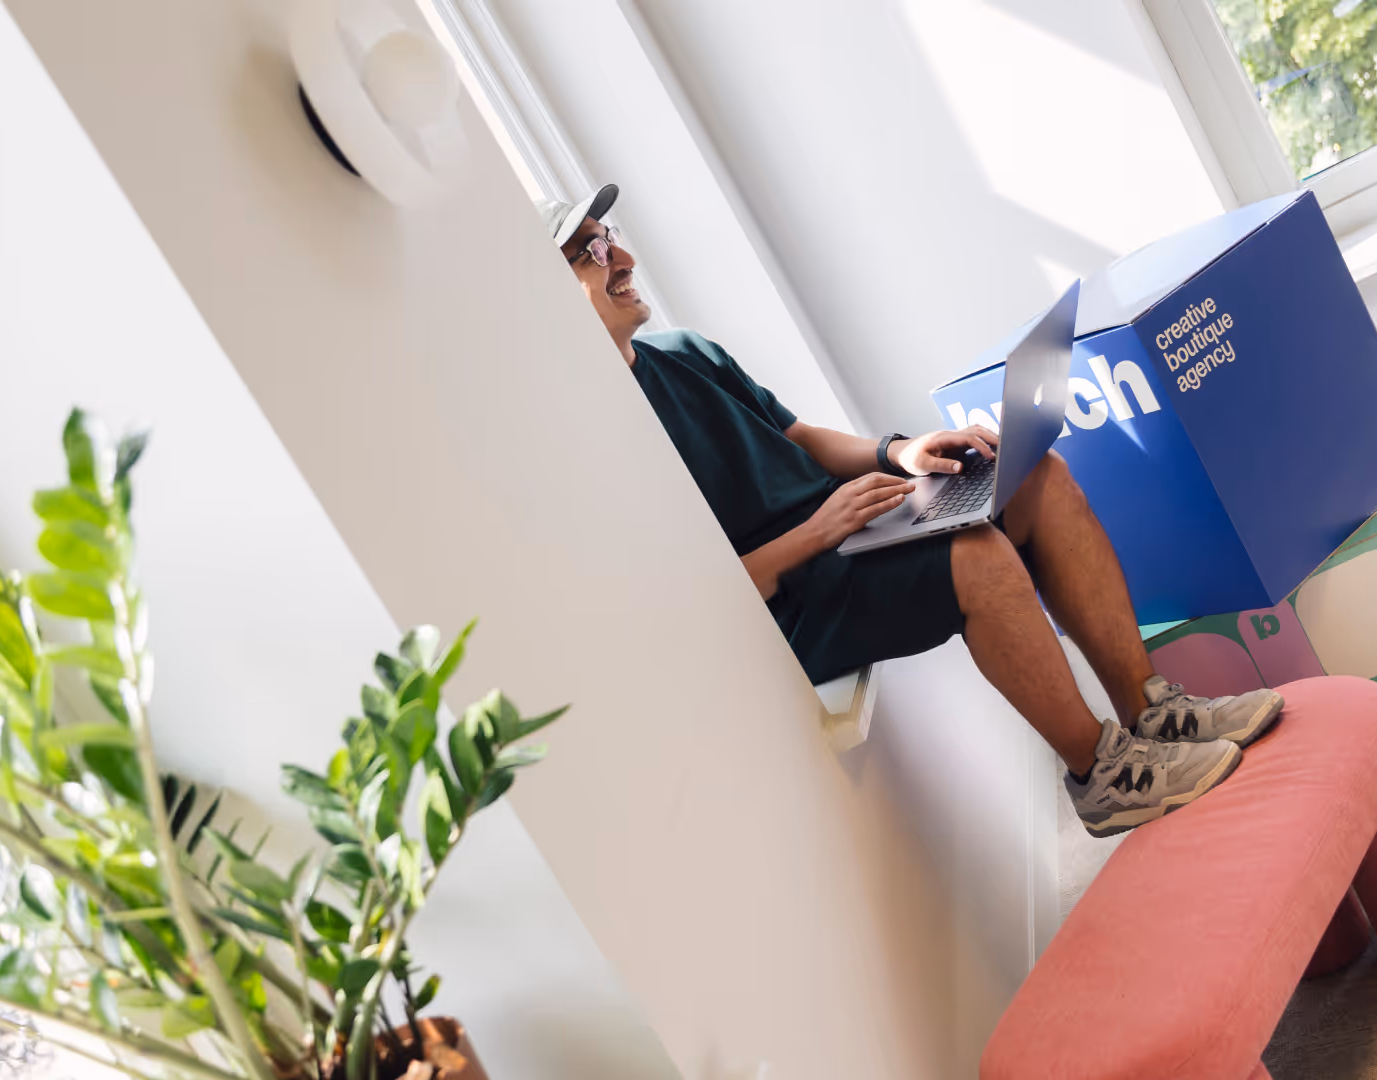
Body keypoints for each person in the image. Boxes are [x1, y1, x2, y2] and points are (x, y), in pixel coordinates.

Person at [539, 185, 1282, 837]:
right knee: (977, 558)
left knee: (1037, 476)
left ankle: (1151, 711)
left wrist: (901, 451)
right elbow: (698, 600)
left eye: (610, 238)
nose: (622, 258)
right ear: (548, 291)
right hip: (796, 602)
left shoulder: (684, 352)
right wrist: (817, 532)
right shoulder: (607, 442)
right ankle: (1103, 777)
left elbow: (796, 436)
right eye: (591, 253)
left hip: (851, 535)